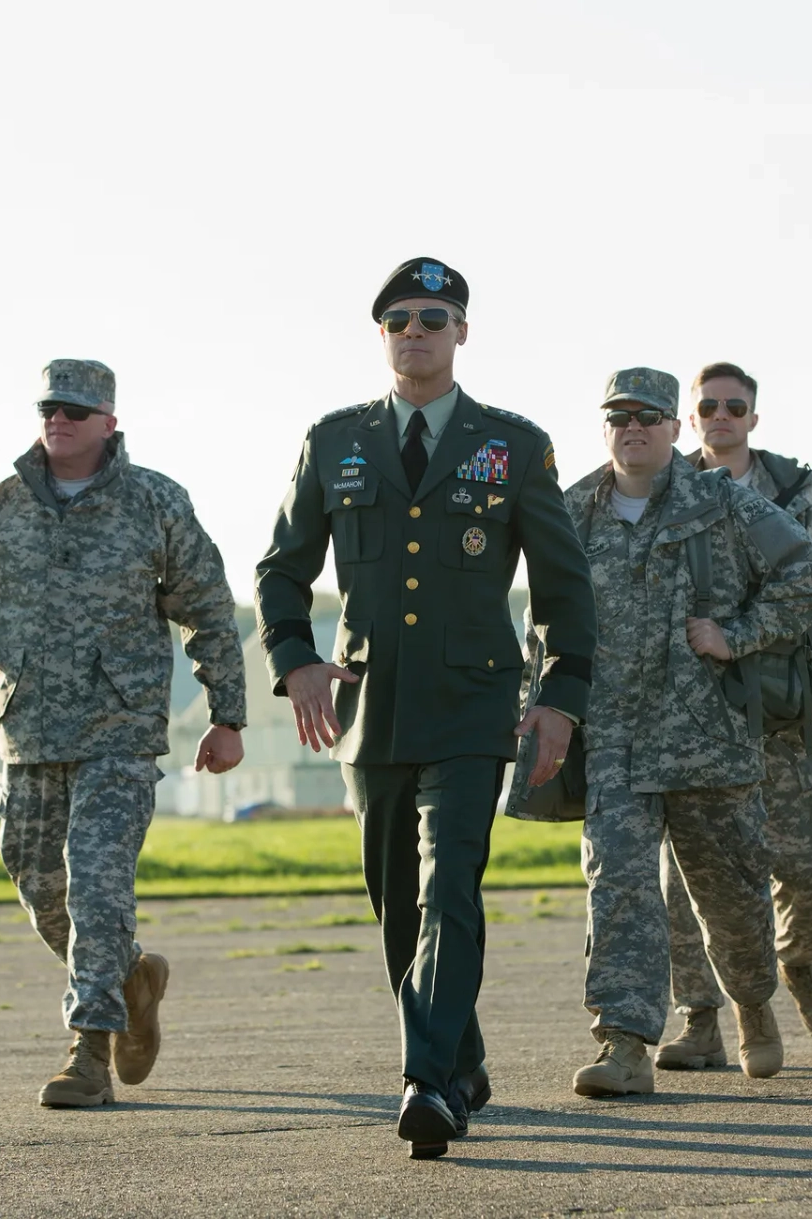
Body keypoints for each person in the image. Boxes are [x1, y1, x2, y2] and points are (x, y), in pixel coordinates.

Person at [255, 258, 598, 1159]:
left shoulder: (514, 444)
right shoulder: (335, 439)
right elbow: (282, 570)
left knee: (451, 885)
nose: (417, 331)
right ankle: (465, 1060)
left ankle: (428, 1085)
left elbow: (564, 587)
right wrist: (295, 662)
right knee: (398, 906)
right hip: (370, 709)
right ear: (382, 336)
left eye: (434, 318)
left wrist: (559, 698)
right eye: (400, 318)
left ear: (461, 333)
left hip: (474, 703)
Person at [0, 359, 247, 1108]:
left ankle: (89, 1050)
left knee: (96, 884)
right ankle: (130, 979)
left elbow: (209, 609)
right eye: (50, 407)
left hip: (119, 729)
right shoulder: (2, 504)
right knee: (35, 876)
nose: (58, 419)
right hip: (27, 728)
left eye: (76, 410)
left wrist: (227, 714)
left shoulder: (154, 501)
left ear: (109, 423)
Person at [521, 366, 812, 1097]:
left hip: (709, 739)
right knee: (618, 890)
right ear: (605, 428)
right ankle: (624, 1044)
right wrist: (536, 705)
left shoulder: (720, 500)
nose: (634, 428)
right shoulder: (570, 513)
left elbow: (809, 576)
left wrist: (739, 633)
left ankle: (753, 1002)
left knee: (731, 899)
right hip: (615, 742)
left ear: (674, 428)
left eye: (649, 417)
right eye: (619, 416)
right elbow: (541, 621)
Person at [657, 362, 812, 1068]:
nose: (720, 416)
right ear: (691, 419)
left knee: (808, 866)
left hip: (781, 711)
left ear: (753, 417)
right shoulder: (664, 490)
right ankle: (702, 1020)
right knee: (688, 884)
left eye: (733, 407)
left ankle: (796, 959)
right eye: (708, 406)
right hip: (690, 717)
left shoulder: (798, 495)